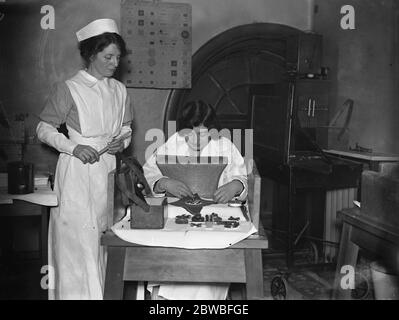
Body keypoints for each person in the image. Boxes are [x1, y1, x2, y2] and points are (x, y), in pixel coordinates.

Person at [36, 19, 133, 300]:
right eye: (108, 57)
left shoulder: (120, 91)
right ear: (92, 55)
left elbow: (126, 128)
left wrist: (122, 141)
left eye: (118, 57)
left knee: (106, 239)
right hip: (77, 172)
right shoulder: (70, 88)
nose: (115, 63)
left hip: (108, 172)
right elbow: (43, 129)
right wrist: (72, 148)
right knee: (78, 244)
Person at [143, 100, 248, 300]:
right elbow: (149, 171)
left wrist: (235, 185)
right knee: (173, 260)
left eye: (204, 133)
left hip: (216, 215)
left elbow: (241, 175)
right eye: (191, 133)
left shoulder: (224, 145)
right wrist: (164, 182)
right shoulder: (173, 142)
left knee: (208, 267)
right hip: (178, 214)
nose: (197, 139)